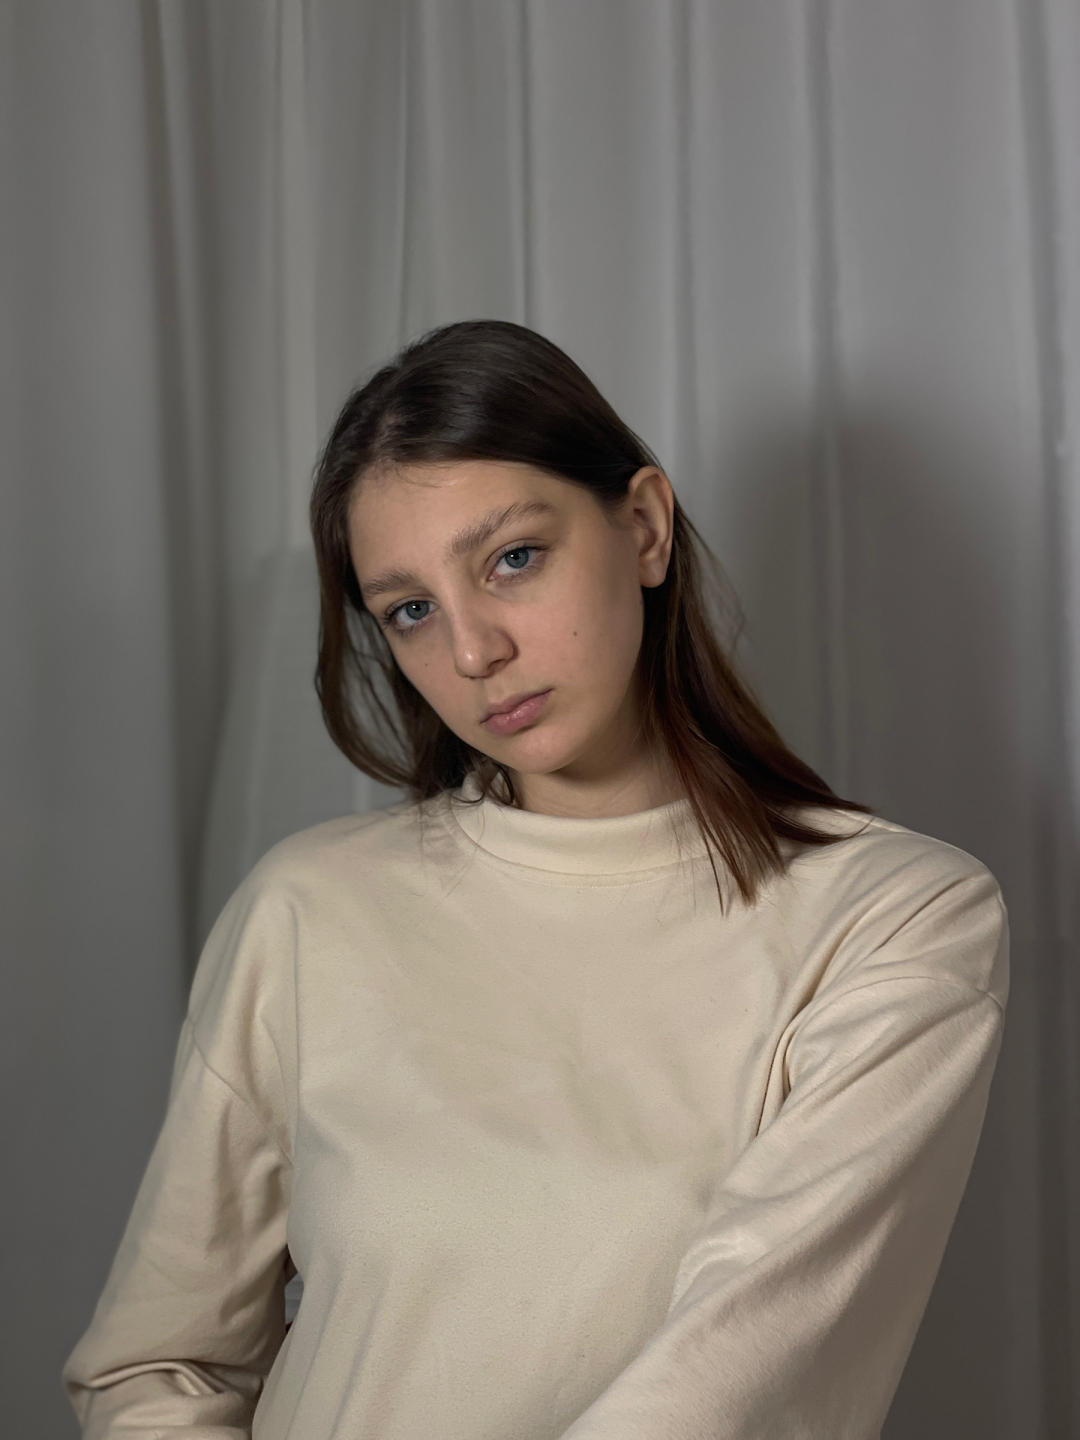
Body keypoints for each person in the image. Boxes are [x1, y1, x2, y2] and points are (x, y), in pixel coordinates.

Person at [61, 319, 1009, 1439]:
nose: (473, 653)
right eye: (411, 611)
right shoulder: (308, 910)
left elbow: (735, 1383)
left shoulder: (895, 918)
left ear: (644, 527)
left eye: (512, 558)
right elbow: (155, 1364)